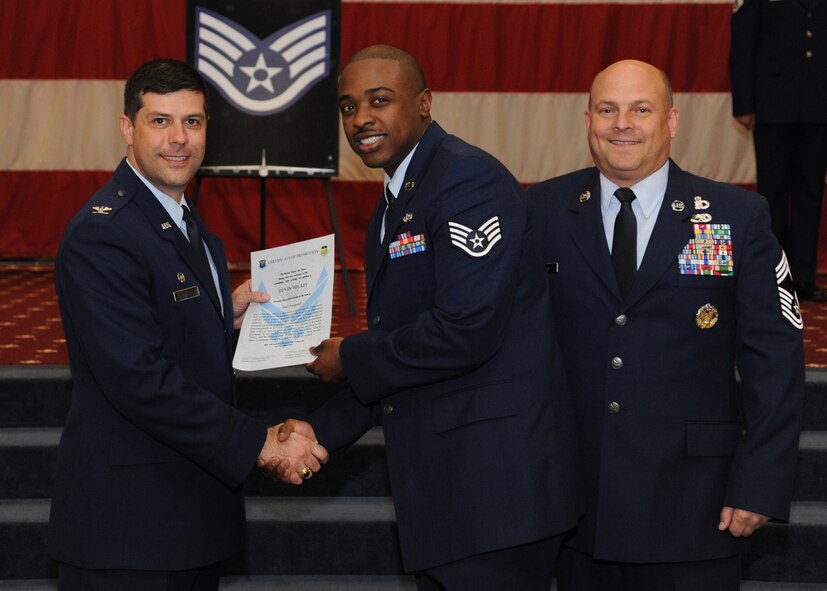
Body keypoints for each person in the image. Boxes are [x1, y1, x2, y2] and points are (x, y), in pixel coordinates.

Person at [268, 45, 580, 590]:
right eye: (347, 106)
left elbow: (465, 330)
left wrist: (351, 354)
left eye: (379, 100)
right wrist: (321, 429)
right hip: (450, 499)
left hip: (496, 495)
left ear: (424, 104)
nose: (361, 118)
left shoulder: (467, 182)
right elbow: (403, 352)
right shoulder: (397, 200)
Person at [48, 58, 327, 591]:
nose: (179, 139)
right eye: (160, 121)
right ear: (127, 128)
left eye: (193, 122)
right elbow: (139, 380)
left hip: (184, 520)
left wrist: (223, 317)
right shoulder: (103, 235)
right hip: (127, 533)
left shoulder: (185, 222)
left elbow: (164, 335)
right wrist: (260, 444)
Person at [526, 60, 805, 590]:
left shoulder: (734, 217)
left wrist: (761, 482)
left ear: (672, 121)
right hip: (575, 504)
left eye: (641, 109)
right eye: (607, 110)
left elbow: (775, 363)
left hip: (695, 505)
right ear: (588, 119)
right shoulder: (541, 211)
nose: (622, 123)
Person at [730, 0, 827, 301]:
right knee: (772, 194)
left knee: (810, 193)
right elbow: (743, 40)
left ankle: (804, 278)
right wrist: (744, 104)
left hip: (818, 103)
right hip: (772, 105)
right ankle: (773, 276)